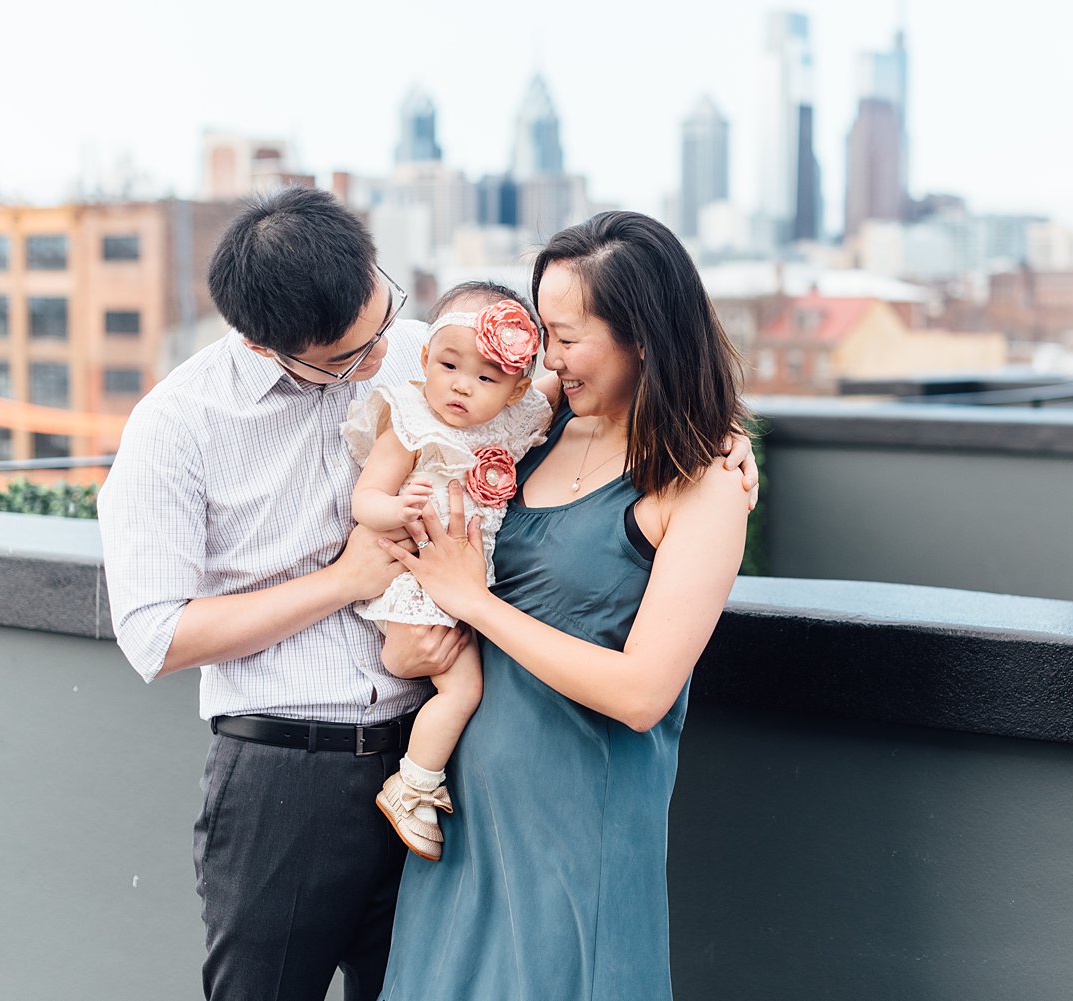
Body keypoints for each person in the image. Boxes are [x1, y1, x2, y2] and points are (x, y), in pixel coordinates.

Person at [99, 189, 757, 1001]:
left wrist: (717, 433)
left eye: (386, 322)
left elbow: (591, 400)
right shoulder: (177, 426)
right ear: (269, 346)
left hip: (435, 772)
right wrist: (345, 580)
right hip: (291, 775)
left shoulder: (438, 352)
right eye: (351, 354)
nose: (385, 357)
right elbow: (153, 636)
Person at [373, 210, 752, 1001]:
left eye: (568, 336)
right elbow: (437, 380)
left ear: (643, 334)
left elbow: (643, 693)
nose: (549, 356)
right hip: (461, 820)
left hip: (577, 835)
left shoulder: (704, 481)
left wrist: (474, 603)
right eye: (542, 331)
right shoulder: (533, 427)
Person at [342, 283, 550, 861]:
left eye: (486, 378)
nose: (461, 385)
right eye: (449, 365)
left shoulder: (509, 424)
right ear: (427, 359)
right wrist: (397, 510)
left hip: (465, 584)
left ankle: (418, 779)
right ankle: (413, 785)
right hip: (418, 582)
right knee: (463, 689)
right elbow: (367, 500)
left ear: (515, 391)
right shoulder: (409, 421)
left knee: (474, 684)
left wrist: (722, 431)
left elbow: (587, 392)